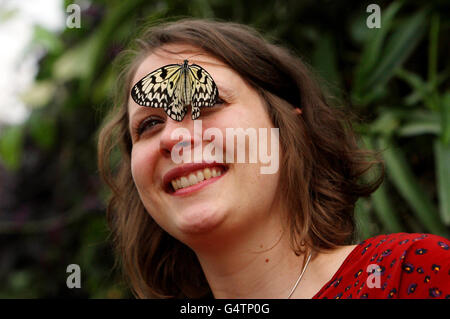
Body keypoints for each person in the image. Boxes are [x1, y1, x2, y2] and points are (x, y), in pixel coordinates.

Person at [97, 18, 450, 299]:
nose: (173, 137)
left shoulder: (409, 277)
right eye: (150, 124)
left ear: (286, 125)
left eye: (206, 104)